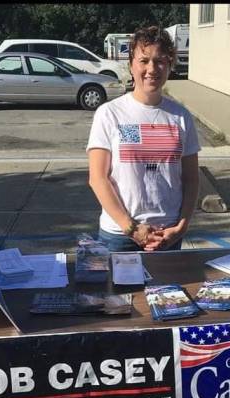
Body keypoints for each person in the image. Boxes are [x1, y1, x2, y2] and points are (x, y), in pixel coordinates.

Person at [87, 26, 200, 252]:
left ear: (169, 65)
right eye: (144, 60)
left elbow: (191, 179)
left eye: (160, 61)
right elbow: (98, 179)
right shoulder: (109, 113)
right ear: (131, 65)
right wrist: (131, 228)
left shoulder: (181, 116)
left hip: (167, 234)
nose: (152, 69)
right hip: (119, 236)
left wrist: (181, 226)